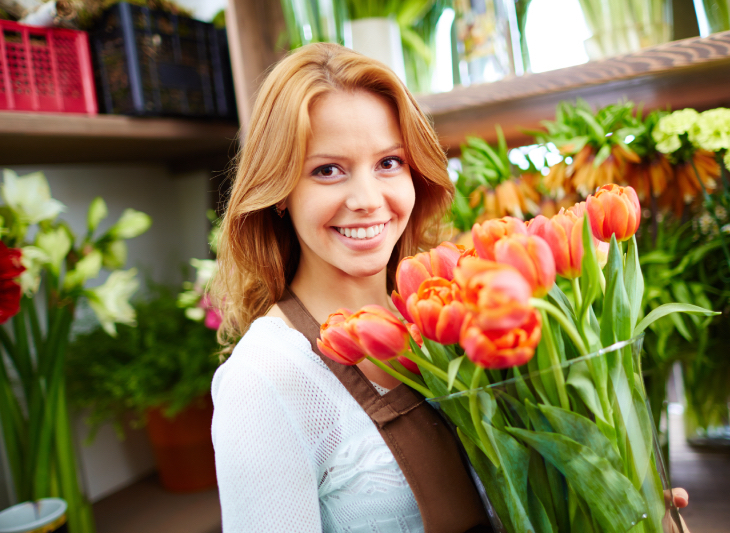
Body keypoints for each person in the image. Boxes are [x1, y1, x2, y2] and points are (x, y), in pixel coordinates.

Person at [210, 42, 691, 533]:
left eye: (389, 162)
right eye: (327, 170)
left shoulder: (455, 317)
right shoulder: (264, 381)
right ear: (279, 191)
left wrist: (614, 508)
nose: (367, 199)